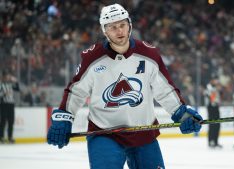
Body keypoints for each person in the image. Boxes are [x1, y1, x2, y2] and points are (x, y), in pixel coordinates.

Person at [47, 3, 203, 169]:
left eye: (122, 25)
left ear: (130, 25)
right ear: (104, 31)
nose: (119, 31)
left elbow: (164, 90)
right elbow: (76, 92)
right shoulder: (92, 58)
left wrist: (181, 112)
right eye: (113, 27)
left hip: (143, 131)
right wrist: (64, 116)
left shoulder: (149, 54)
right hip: (105, 134)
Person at [0, 70, 20, 144]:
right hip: (4, 104)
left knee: (11, 121)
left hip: (11, 104)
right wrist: (4, 93)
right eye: (6, 76)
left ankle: (10, 137)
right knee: (3, 121)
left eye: (8, 76)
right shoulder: (1, 85)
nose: (7, 78)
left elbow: (17, 89)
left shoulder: (11, 85)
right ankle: (1, 137)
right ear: (3, 77)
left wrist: (16, 81)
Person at [204, 75, 222, 148]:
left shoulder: (215, 88)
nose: (216, 81)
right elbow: (211, 97)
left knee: (217, 124)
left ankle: (216, 141)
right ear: (211, 80)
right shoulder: (208, 88)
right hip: (211, 107)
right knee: (212, 124)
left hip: (216, 107)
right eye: (215, 80)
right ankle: (211, 141)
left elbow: (218, 97)